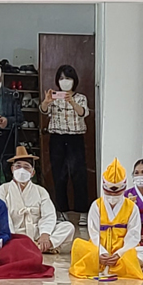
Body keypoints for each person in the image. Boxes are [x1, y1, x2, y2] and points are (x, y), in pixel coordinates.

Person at [70, 159, 143, 280]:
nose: (112, 196)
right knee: (78, 246)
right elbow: (94, 233)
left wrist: (119, 254)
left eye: (116, 193)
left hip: (123, 252)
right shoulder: (96, 205)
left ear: (123, 189)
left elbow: (133, 235)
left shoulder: (132, 207)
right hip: (99, 250)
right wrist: (101, 253)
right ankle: (116, 267)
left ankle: (111, 266)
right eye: (109, 193)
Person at [0, 144, 75, 255]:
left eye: (26, 167)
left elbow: (48, 215)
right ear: (12, 169)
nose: (22, 170)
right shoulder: (4, 189)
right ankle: (39, 248)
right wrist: (12, 236)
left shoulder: (40, 191)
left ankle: (41, 245)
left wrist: (45, 234)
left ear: (32, 173)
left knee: (68, 227)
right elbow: (3, 216)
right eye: (18, 166)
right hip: (16, 232)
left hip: (36, 233)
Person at [40, 63, 90, 219]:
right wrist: (46, 101)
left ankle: (82, 212)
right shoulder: (54, 96)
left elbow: (83, 113)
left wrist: (72, 102)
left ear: (74, 80)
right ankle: (61, 211)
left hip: (75, 138)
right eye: (61, 78)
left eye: (68, 78)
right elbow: (43, 110)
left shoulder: (81, 98)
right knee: (59, 175)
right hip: (57, 139)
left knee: (79, 175)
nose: (65, 81)